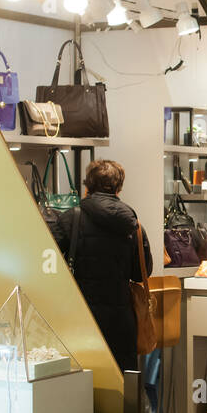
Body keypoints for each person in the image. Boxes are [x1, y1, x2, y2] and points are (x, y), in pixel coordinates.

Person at [51, 159, 154, 372]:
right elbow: (141, 272)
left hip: (82, 316)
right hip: (121, 318)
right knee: (122, 382)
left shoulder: (71, 218)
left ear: (87, 186)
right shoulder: (133, 224)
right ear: (119, 187)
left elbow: (50, 265)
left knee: (84, 379)